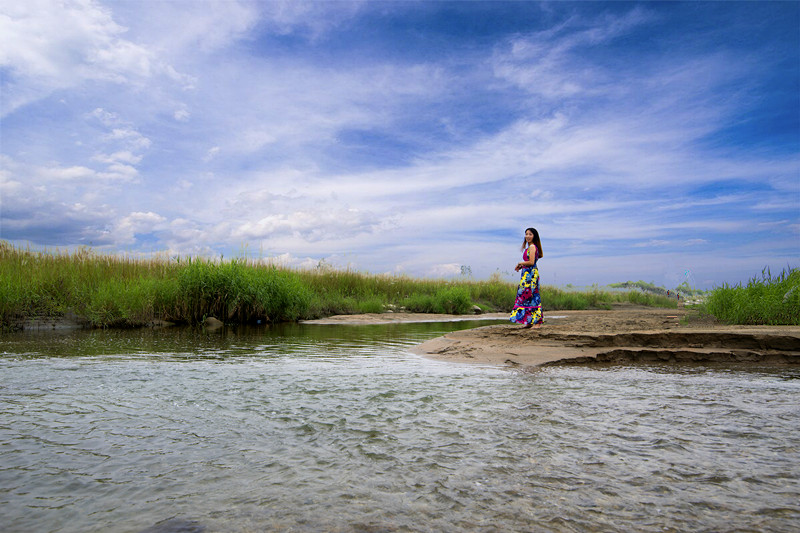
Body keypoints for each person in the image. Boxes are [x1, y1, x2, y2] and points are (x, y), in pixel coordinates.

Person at [510, 227, 543, 328]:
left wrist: (520, 262)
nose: (527, 236)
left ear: (534, 236)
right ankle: (529, 321)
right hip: (526, 274)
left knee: (533, 295)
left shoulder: (532, 247)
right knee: (525, 296)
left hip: (531, 275)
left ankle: (537, 322)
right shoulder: (529, 248)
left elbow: (532, 262)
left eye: (530, 234)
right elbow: (530, 262)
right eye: (526, 234)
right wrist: (521, 266)